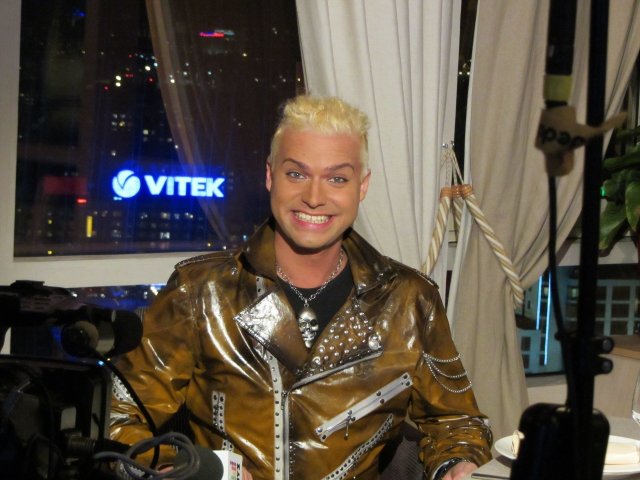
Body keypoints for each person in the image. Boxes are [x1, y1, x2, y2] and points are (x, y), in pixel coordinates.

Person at [109, 95, 493, 480]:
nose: (313, 197)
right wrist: (177, 471)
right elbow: (119, 416)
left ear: (362, 186)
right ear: (270, 176)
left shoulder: (410, 299)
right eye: (296, 174)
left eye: (337, 178)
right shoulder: (200, 291)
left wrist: (457, 464)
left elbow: (456, 422)